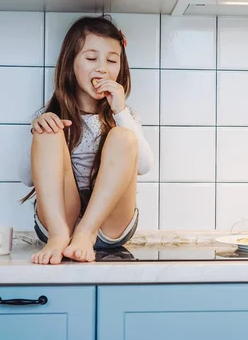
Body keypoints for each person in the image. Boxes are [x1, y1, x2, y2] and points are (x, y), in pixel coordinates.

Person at [18, 15, 153, 265]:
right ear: (70, 63)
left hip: (108, 224)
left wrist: (120, 112)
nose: (102, 67)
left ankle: (86, 233)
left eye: (112, 60)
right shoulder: (50, 117)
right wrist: (38, 131)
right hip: (60, 221)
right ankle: (59, 237)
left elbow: (143, 166)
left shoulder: (126, 116)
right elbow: (27, 178)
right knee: (49, 130)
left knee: (124, 137)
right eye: (91, 58)